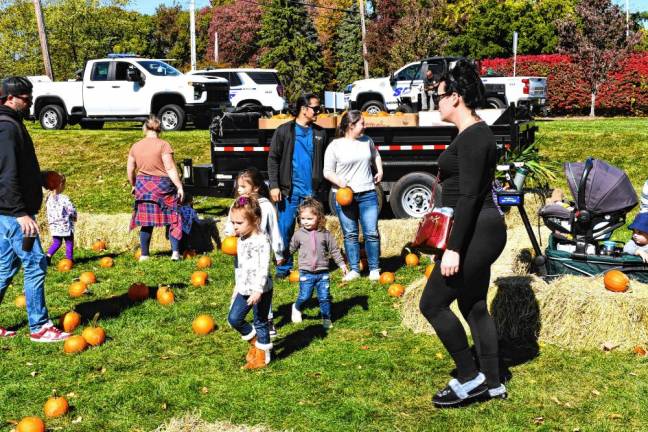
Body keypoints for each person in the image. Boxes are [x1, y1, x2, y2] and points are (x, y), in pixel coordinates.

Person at [418, 59, 507, 407]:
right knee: (473, 305)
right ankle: (494, 381)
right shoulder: (471, 133)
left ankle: (471, 377)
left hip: (475, 231)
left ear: (455, 97)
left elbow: (470, 196)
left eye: (438, 96)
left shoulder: (474, 137)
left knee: (433, 304)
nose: (435, 102)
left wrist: (454, 248)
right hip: (477, 228)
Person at [0, 76, 70, 342]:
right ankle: (40, 327)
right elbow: (5, 175)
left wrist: (41, 177)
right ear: (9, 98)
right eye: (26, 99)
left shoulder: (12, 123)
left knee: (6, 267)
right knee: (36, 263)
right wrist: (21, 213)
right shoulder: (6, 128)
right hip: (13, 215)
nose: (30, 104)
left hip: (10, 212)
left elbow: (17, 170)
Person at [267, 93, 327, 279]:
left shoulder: (320, 133)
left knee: (312, 233)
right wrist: (274, 185)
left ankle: (310, 265)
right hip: (289, 192)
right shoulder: (284, 131)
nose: (319, 111)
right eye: (316, 108)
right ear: (303, 109)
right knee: (285, 230)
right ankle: (283, 268)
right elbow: (273, 159)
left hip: (312, 193)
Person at [323, 110, 383, 281]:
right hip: (344, 195)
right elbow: (327, 171)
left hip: (368, 193)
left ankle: (374, 269)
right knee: (350, 234)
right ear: (351, 125)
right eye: (362, 123)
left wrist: (380, 170)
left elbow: (376, 155)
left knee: (371, 232)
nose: (365, 126)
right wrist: (340, 181)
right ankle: (355, 270)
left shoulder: (367, 141)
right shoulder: (335, 146)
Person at [224, 168, 283, 337]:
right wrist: (231, 232)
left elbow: (274, 232)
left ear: (256, 187)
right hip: (242, 255)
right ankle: (246, 319)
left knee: (262, 290)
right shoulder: (236, 206)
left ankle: (266, 320)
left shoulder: (266, 206)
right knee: (242, 280)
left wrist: (278, 254)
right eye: (238, 187)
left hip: (260, 254)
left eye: (243, 186)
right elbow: (229, 226)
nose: (239, 190)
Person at [284, 198, 348, 329]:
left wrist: (341, 264)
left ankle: (326, 318)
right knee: (305, 296)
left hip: (323, 272)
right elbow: (291, 249)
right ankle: (296, 307)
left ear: (319, 218)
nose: (305, 222)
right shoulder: (298, 235)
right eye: (303, 219)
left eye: (309, 219)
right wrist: (283, 258)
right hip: (306, 272)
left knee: (324, 297)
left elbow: (335, 250)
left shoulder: (325, 234)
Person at [128, 115, 184, 261]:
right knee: (174, 218)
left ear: (145, 128)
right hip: (162, 186)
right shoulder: (164, 145)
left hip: (143, 186)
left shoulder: (136, 146)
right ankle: (175, 253)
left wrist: (133, 184)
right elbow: (170, 168)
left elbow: (130, 168)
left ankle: (145, 255)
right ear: (160, 129)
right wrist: (179, 186)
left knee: (146, 222)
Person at [227, 196, 273, 370]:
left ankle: (263, 358)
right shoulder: (241, 240)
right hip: (244, 288)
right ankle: (256, 344)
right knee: (234, 318)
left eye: (239, 223)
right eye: (233, 222)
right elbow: (241, 267)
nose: (235, 227)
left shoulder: (262, 241)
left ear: (255, 220)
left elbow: (263, 268)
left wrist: (258, 290)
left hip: (260, 290)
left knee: (260, 321)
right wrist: (237, 287)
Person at [45, 174, 77, 264]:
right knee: (69, 241)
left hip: (54, 226)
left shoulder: (48, 198)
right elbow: (71, 210)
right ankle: (69, 259)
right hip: (65, 225)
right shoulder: (64, 198)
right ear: (61, 185)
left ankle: (47, 256)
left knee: (57, 242)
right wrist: (74, 217)